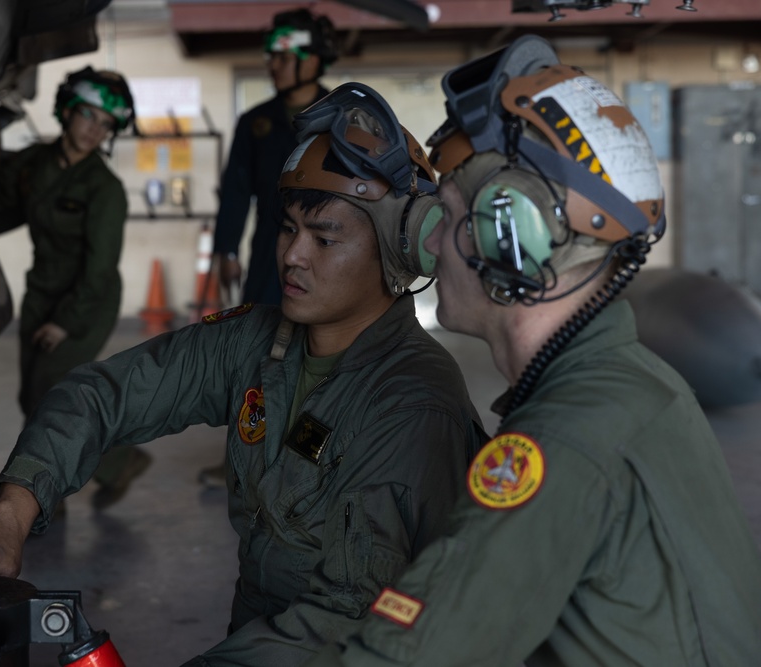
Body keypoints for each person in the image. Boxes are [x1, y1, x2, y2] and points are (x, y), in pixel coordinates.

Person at [0, 82, 488, 665]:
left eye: (324, 239)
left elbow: (349, 616)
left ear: (397, 256)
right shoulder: (256, 341)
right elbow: (103, 394)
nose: (293, 255)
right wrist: (10, 514)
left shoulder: (414, 403)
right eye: (289, 228)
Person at [304, 36, 761, 667]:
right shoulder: (632, 379)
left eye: (450, 217)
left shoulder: (564, 440)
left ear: (510, 239)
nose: (432, 249)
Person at [0, 67, 151, 509]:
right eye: (89, 116)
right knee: (32, 396)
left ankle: (43, 501)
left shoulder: (105, 189)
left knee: (49, 395)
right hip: (42, 293)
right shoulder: (33, 165)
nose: (96, 130)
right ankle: (119, 462)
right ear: (67, 112)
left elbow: (99, 270)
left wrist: (65, 323)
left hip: (85, 303)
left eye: (106, 124)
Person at [202, 7, 339, 488]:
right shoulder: (255, 122)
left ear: (312, 59)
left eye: (284, 56)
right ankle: (240, 457)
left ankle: (309, 455)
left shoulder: (341, 117)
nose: (272, 65)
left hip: (325, 249)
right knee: (257, 347)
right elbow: (235, 190)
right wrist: (224, 251)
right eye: (271, 56)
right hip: (267, 249)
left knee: (321, 348)